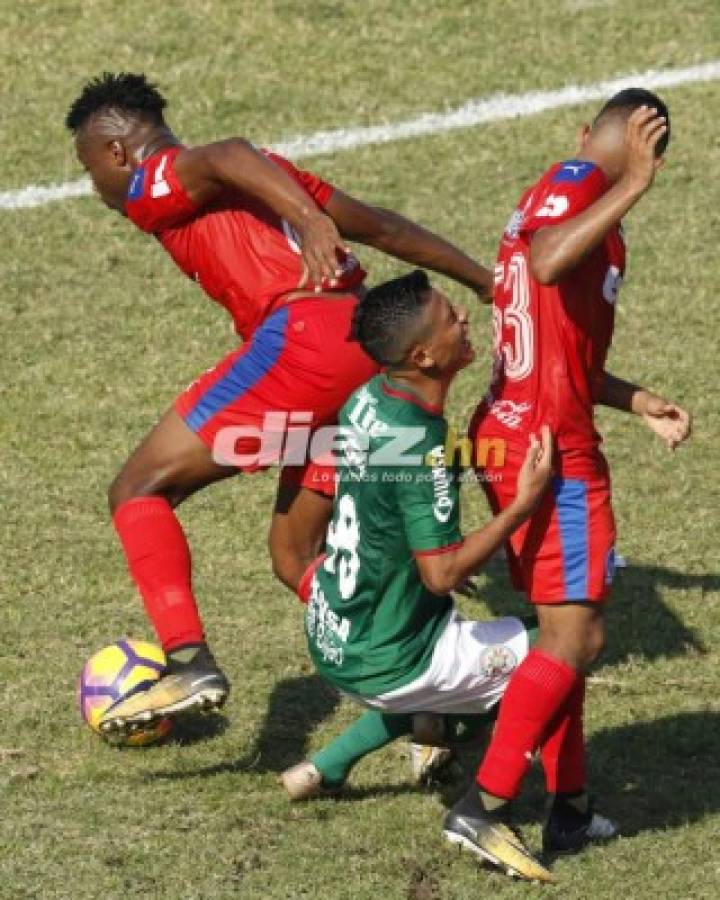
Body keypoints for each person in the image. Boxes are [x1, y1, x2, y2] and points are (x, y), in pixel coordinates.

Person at [65, 73, 492, 737]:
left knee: (137, 490)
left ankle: (188, 657)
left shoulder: (158, 179)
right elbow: (384, 227)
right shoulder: (274, 176)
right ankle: (428, 700)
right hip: (363, 358)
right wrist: (490, 282)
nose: (93, 184)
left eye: (88, 166)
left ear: (117, 152)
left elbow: (223, 150)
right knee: (295, 555)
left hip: (306, 345)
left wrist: (309, 220)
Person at [461, 89, 692, 870]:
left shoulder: (577, 207)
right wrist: (632, 180)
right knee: (578, 634)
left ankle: (570, 805)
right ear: (631, 138)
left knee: (566, 633)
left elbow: (563, 351)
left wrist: (635, 400)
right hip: (547, 446)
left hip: (521, 427)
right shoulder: (581, 187)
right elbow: (547, 259)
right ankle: (484, 804)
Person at [291, 270, 568, 882]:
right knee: (565, 648)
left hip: (334, 631)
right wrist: (522, 505)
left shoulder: (367, 399)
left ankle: (326, 766)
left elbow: (378, 504)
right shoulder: (420, 444)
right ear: (422, 355)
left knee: (444, 671)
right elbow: (440, 573)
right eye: (450, 317)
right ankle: (485, 810)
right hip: (393, 659)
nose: (465, 320)